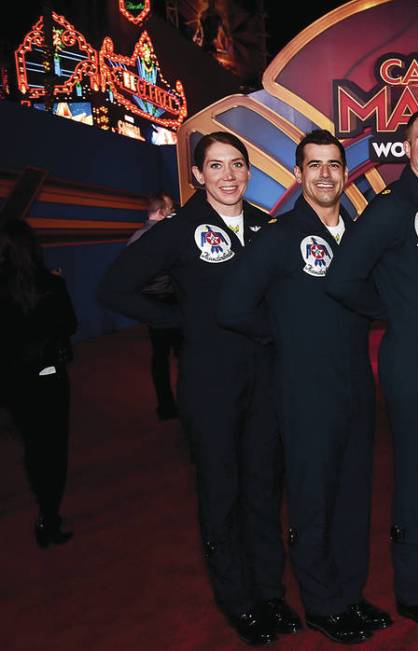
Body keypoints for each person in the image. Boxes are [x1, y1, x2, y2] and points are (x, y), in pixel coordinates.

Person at [98, 132, 297, 646]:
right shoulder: (179, 230)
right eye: (216, 166)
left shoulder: (265, 227)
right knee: (222, 492)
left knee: (263, 488)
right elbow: (114, 288)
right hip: (211, 384)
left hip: (266, 379)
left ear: (249, 171)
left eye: (237, 165)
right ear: (197, 175)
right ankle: (238, 600)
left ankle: (270, 593)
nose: (229, 176)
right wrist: (179, 320)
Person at [216, 129, 390, 644]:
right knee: (313, 500)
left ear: (345, 172)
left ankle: (351, 595)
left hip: (358, 385)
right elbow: (231, 308)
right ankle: (322, 603)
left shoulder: (360, 233)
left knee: (355, 497)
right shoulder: (278, 236)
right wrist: (285, 337)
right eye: (314, 165)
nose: (325, 174)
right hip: (304, 391)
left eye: (334, 164)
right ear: (299, 174)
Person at [323, 107, 418, 633]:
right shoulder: (391, 208)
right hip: (411, 366)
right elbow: (343, 279)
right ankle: (413, 592)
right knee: (415, 479)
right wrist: (394, 310)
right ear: (407, 149)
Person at [0, 219, 77, 548]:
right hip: (48, 379)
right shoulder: (51, 285)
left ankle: (46, 509)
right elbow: (70, 326)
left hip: (12, 382)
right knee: (53, 448)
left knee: (32, 444)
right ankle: (49, 514)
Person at [129, 193, 182, 420]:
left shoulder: (135, 238)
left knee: (159, 356)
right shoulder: (167, 236)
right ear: (161, 211)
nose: (173, 213)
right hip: (171, 301)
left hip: (149, 303)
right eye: (170, 209)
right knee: (185, 355)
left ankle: (166, 407)